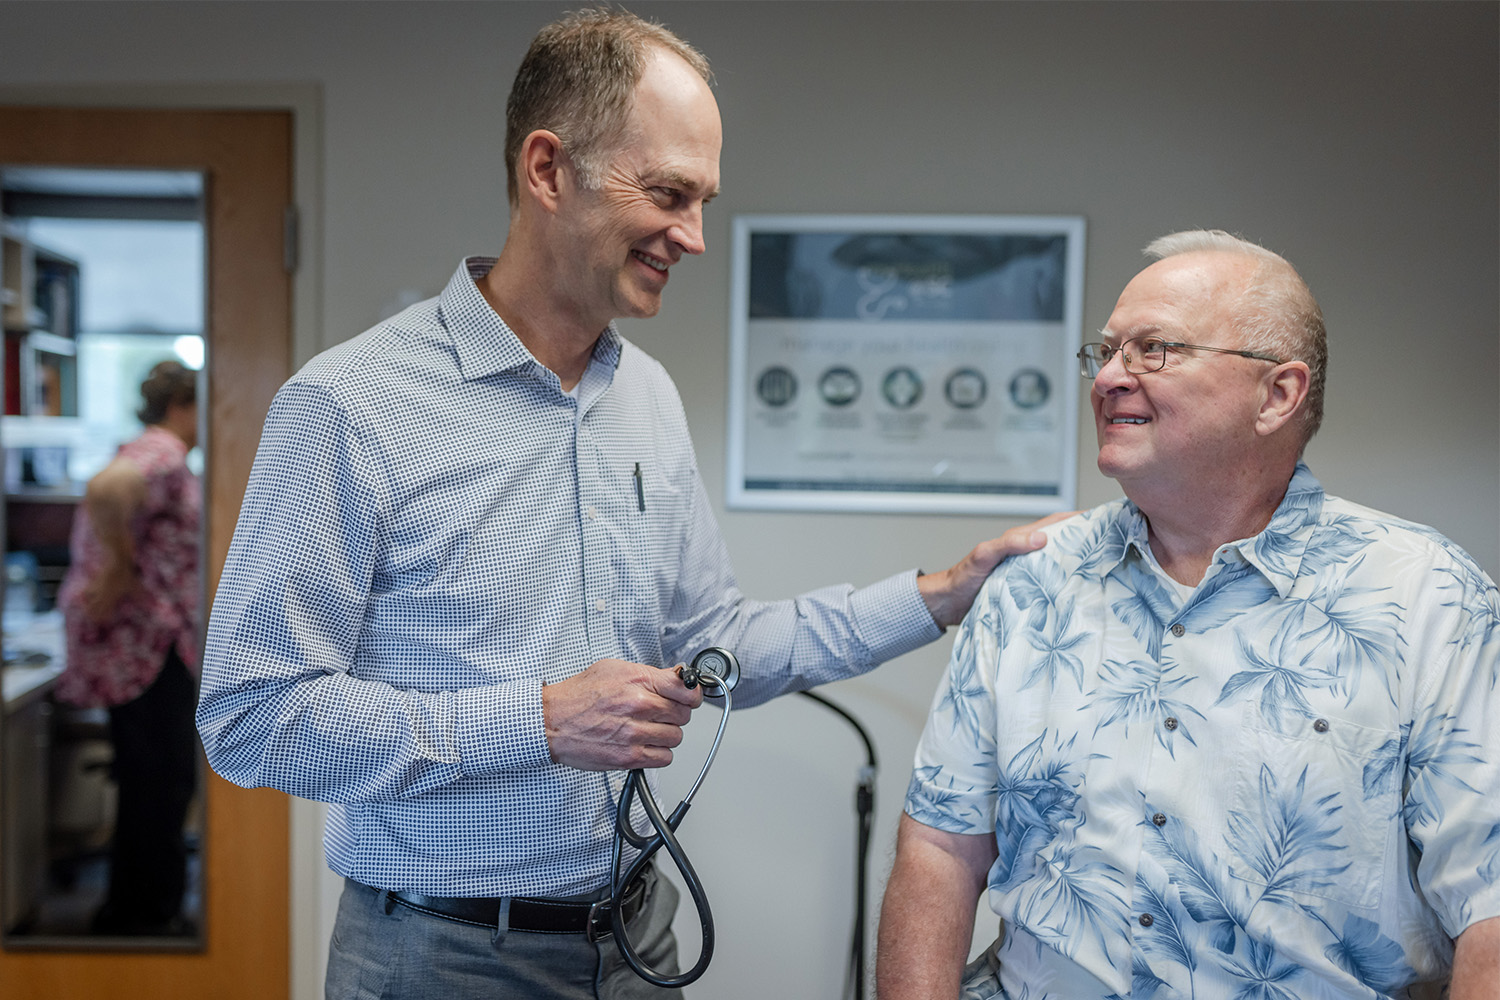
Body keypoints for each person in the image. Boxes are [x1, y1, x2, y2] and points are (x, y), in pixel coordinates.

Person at [194, 9, 1051, 998]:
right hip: (444, 958)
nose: (692, 235)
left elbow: (717, 642)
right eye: (669, 193)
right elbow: (253, 715)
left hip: (636, 945)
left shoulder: (645, 398)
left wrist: (946, 592)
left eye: (704, 202)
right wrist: (541, 720)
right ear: (549, 170)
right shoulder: (350, 406)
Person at [877, 230, 1500, 1000]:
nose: (1109, 377)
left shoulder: (1429, 597)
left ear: (1278, 394)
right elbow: (941, 844)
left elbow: (1489, 903)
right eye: (1104, 353)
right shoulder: (1032, 580)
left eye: (1154, 349)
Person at [57, 359, 201, 935]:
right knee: (159, 780)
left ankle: (138, 907)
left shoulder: (155, 450)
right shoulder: (162, 451)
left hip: (143, 642)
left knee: (155, 779)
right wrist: (118, 563)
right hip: (140, 645)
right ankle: (141, 917)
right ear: (180, 407)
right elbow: (107, 489)